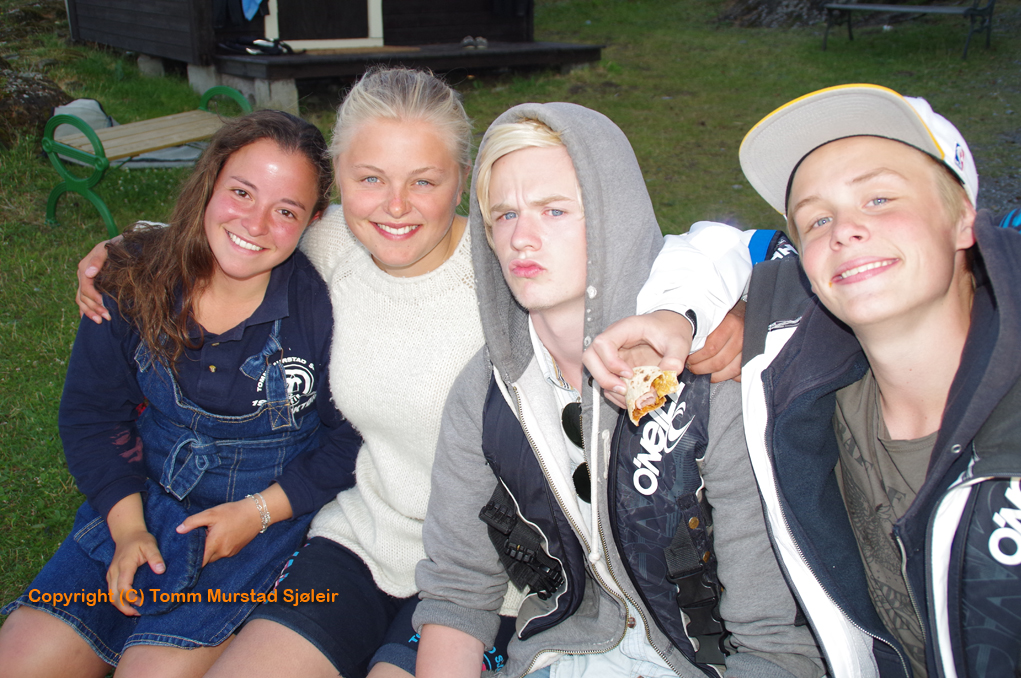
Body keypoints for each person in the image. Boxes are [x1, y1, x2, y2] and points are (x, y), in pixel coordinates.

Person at [71, 69, 756, 678]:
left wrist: (712, 309)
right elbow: (247, 231)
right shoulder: (336, 244)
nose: (394, 206)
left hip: (499, 568)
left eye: (424, 181)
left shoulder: (512, 266)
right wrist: (129, 250)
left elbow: (665, 249)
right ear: (337, 180)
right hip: (362, 539)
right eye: (370, 179)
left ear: (465, 181)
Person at [413, 103, 825, 678]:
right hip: (558, 656)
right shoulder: (485, 393)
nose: (522, 239)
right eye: (505, 215)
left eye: (555, 210)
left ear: (615, 218)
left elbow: (773, 639)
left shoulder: (709, 373)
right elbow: (458, 591)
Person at [0, 110, 362, 678]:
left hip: (255, 527)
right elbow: (94, 418)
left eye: (286, 210)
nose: (255, 223)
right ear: (211, 181)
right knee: (20, 660)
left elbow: (348, 444)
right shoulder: (132, 276)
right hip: (138, 503)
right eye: (241, 192)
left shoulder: (323, 311)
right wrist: (128, 530)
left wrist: (257, 513)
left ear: (313, 221)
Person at [736, 84, 1021, 677]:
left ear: (964, 220)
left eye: (880, 198)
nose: (843, 230)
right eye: (817, 219)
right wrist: (678, 310)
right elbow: (710, 245)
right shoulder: (807, 396)